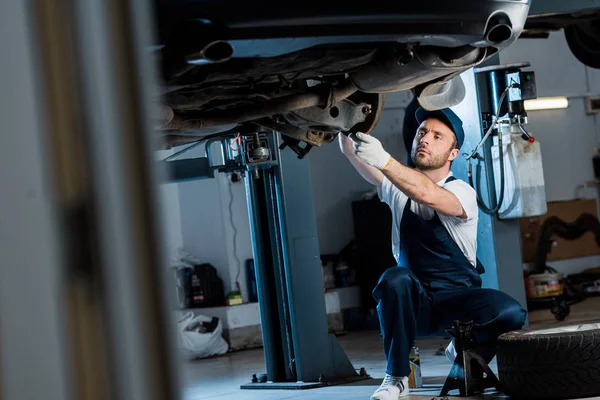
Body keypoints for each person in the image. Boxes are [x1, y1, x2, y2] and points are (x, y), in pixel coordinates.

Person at [339, 106, 527, 400]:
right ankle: (396, 378)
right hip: (415, 303)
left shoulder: (462, 191)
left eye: (437, 136)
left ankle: (466, 352)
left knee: (511, 312)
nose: (424, 139)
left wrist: (385, 160)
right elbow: (354, 154)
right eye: (421, 132)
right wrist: (343, 125)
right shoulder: (395, 187)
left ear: (452, 153)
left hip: (458, 301)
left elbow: (428, 194)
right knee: (394, 278)